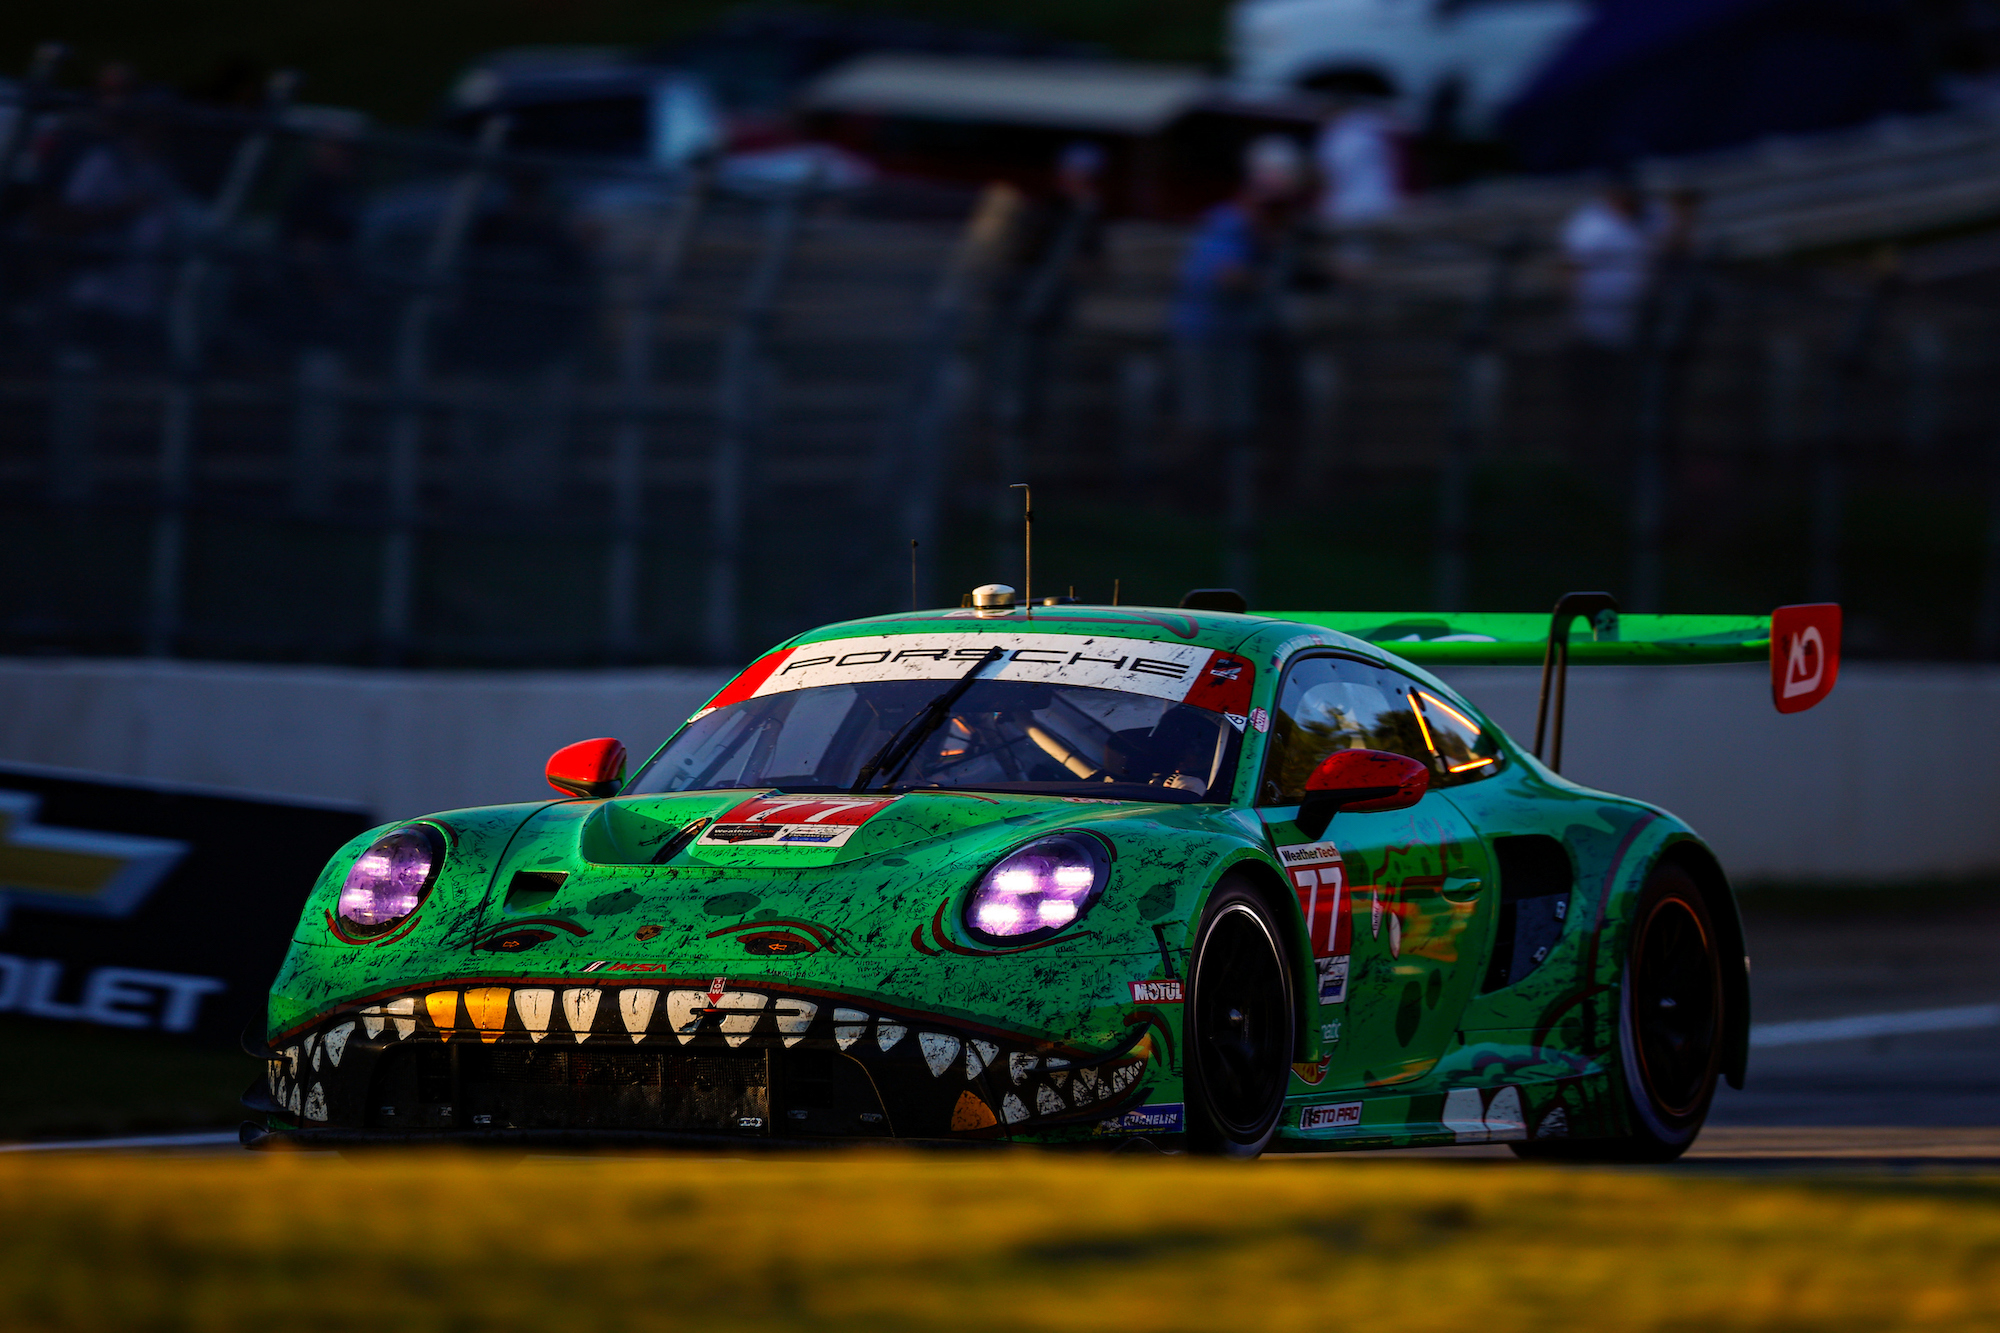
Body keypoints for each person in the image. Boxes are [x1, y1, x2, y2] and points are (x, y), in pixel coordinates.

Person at [1171, 134, 1308, 437]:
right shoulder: (1228, 225)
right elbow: (1225, 276)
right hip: (1208, 339)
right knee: (1205, 425)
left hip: (1237, 340)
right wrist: (1267, 279)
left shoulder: (1266, 232)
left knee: (1236, 425)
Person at [1560, 175, 1659, 349]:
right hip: (1599, 313)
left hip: (1641, 312)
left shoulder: (1646, 214)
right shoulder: (1591, 224)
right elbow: (1570, 269)